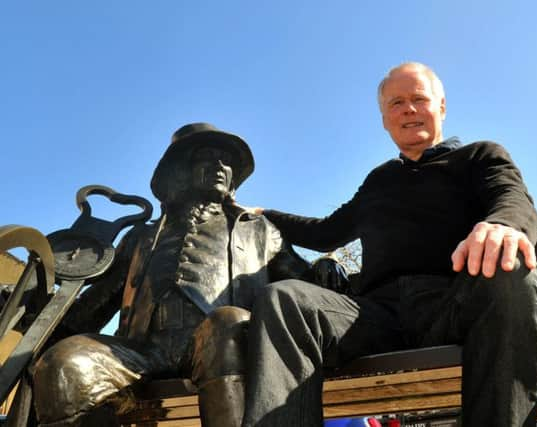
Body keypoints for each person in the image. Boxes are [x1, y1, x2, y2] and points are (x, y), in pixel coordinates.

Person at [239, 63, 537, 426]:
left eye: (419, 98)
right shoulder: (379, 180)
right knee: (283, 299)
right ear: (385, 119)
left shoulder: (480, 156)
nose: (409, 109)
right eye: (396, 103)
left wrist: (502, 225)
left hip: (454, 304)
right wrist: (265, 214)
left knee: (515, 270)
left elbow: (511, 197)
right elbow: (325, 231)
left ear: (441, 107)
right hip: (375, 316)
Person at [31, 123, 338, 427]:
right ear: (178, 170)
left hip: (225, 343)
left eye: (227, 161)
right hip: (144, 351)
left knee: (226, 322)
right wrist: (33, 312)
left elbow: (301, 289)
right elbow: (91, 309)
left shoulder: (260, 232)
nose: (221, 166)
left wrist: (324, 269)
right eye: (207, 156)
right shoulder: (140, 237)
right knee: (62, 364)